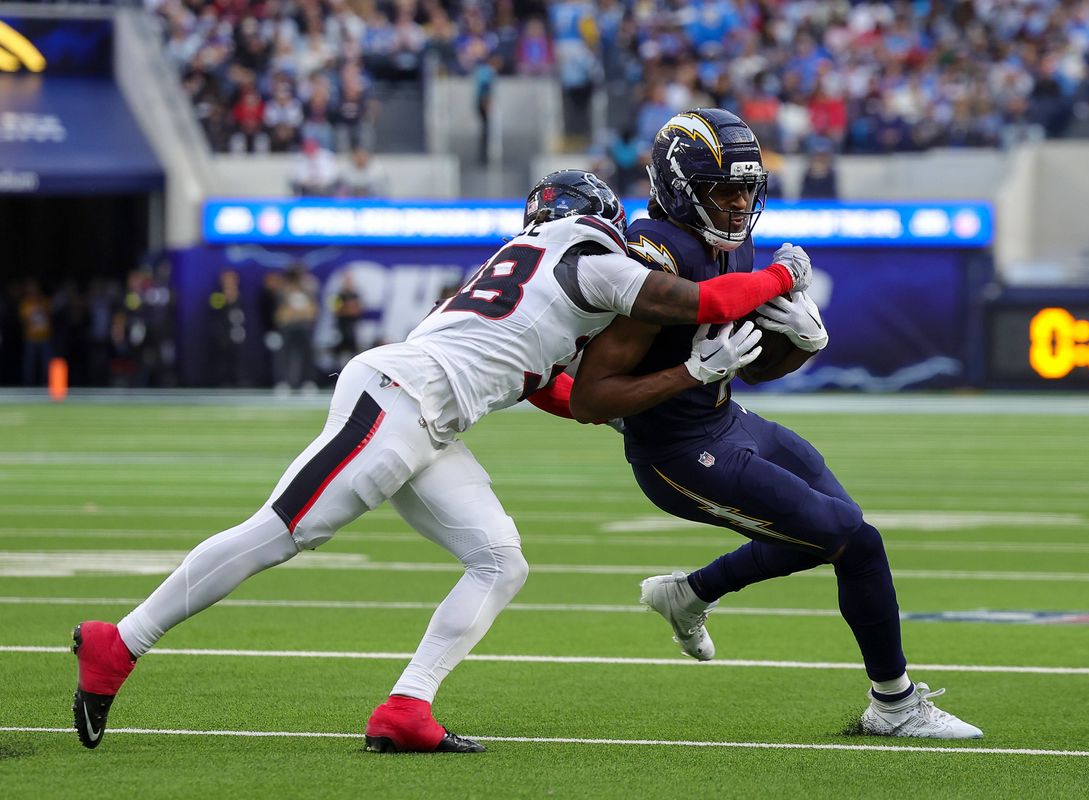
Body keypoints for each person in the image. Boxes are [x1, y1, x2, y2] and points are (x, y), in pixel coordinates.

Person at [71, 169, 810, 753]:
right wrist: (783, 278)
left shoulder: (524, 266)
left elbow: (546, 388)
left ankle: (406, 707)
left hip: (424, 415)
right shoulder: (594, 256)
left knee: (499, 559)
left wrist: (639, 400)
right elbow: (708, 299)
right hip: (402, 401)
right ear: (604, 219)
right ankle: (120, 641)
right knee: (283, 530)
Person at [569, 109, 983, 740]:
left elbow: (753, 370)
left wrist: (801, 343)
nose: (738, 206)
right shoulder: (655, 258)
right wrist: (691, 373)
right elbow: (593, 399)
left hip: (729, 421)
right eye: (723, 191)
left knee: (846, 535)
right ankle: (894, 705)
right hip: (676, 455)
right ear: (681, 187)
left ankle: (691, 593)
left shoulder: (732, 245)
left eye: (746, 190)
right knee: (849, 538)